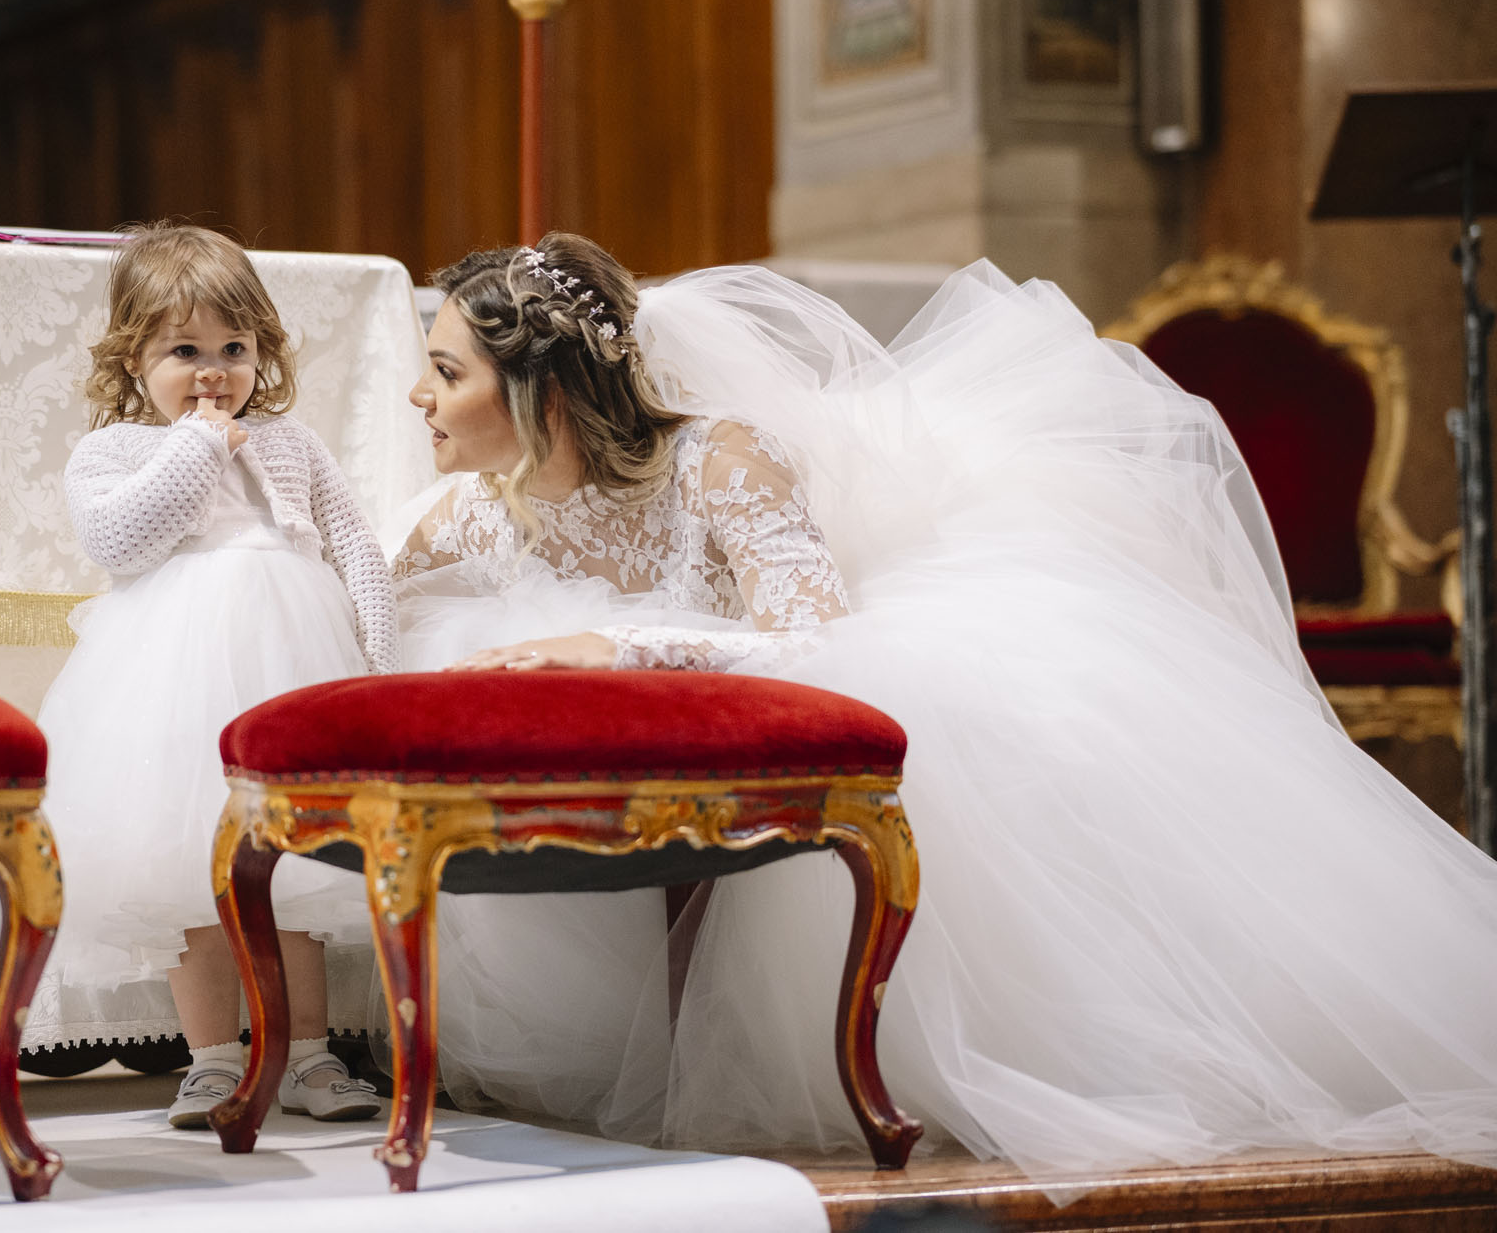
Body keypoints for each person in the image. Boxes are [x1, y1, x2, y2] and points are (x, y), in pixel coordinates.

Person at [389, 232, 1497, 1183]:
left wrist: (616, 646)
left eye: (443, 371)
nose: (416, 397)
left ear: (539, 388)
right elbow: (368, 587)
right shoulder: (479, 514)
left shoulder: (719, 463)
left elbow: (823, 642)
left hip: (875, 682)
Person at [43, 221, 396, 1128]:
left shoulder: (292, 444)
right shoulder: (117, 452)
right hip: (173, 689)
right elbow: (122, 539)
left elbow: (355, 544)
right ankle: (210, 1059)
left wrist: (380, 662)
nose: (214, 372)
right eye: (185, 351)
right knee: (188, 870)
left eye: (233, 349)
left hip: (292, 671)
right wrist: (200, 443)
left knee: (295, 871)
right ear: (133, 359)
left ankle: (309, 1053)